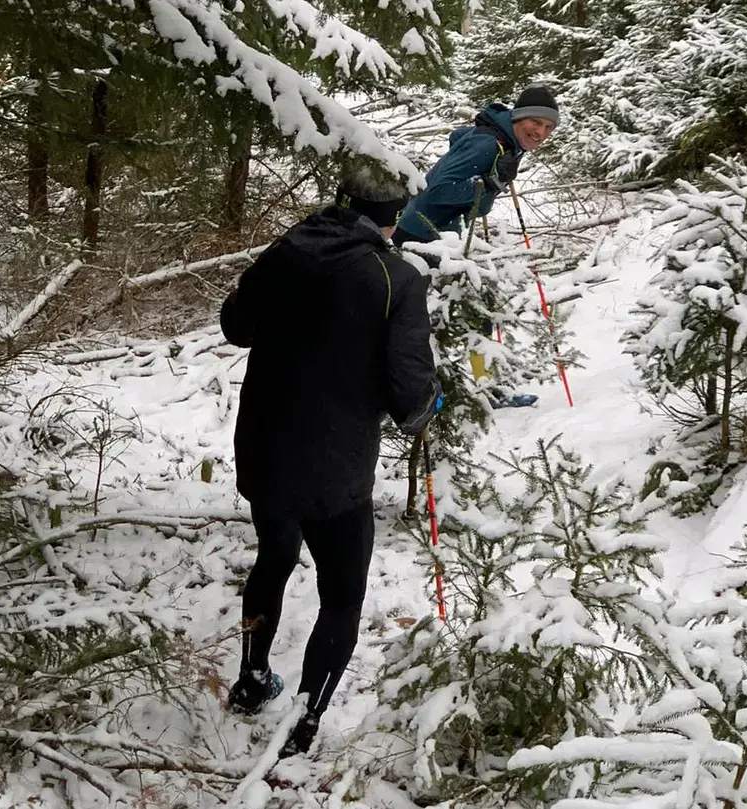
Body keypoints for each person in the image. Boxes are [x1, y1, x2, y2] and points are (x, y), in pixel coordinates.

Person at [219, 168, 442, 758]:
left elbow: (236, 327)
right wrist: (427, 408)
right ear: (395, 219)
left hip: (264, 449)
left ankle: (251, 681)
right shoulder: (397, 279)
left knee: (274, 556)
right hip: (335, 470)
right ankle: (306, 720)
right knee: (341, 595)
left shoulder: (288, 249)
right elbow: (410, 398)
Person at [391, 83, 559, 248]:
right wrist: (489, 183)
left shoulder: (509, 140)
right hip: (420, 234)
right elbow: (437, 191)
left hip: (440, 230)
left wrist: (462, 158)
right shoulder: (488, 143)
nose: (541, 133)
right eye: (535, 122)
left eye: (548, 127)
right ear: (518, 118)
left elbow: (457, 136)